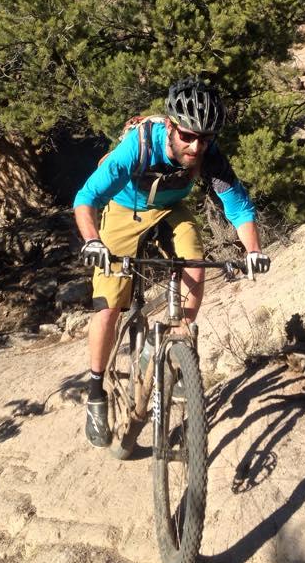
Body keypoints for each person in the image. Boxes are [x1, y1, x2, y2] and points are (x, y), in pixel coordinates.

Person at [73, 78, 271, 447]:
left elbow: (238, 206)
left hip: (171, 209)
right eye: (187, 137)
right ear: (170, 126)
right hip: (125, 209)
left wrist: (253, 251)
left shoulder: (210, 155)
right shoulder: (138, 146)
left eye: (204, 138)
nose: (195, 147)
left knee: (194, 264)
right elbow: (86, 198)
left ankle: (173, 350)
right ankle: (96, 390)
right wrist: (92, 242)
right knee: (109, 306)